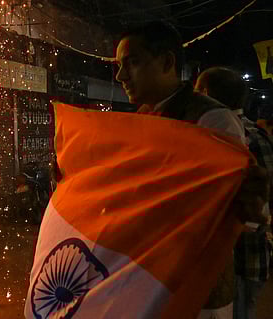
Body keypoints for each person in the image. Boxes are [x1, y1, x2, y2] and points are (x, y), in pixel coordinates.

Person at [114, 21, 268, 227]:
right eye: (119, 66)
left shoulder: (211, 119)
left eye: (132, 62)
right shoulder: (144, 117)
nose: (120, 76)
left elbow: (226, 211)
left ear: (167, 62)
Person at [195, 66, 272, 319]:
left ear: (205, 93)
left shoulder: (217, 136)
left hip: (229, 259)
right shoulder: (260, 137)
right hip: (254, 259)